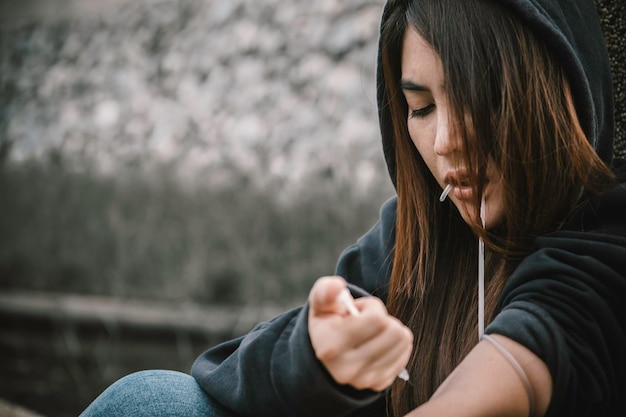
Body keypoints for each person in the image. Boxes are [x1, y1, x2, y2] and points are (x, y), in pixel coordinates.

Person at [79, 0, 626, 416]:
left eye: (477, 96)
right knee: (151, 398)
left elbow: (533, 350)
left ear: (548, 91)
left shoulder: (606, 235)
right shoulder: (417, 237)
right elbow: (224, 372)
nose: (444, 142)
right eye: (422, 107)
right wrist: (318, 353)